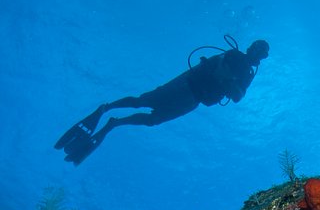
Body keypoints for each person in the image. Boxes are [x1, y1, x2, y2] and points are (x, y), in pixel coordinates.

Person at [55, 39, 269, 165]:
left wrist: (229, 81)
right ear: (251, 48)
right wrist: (229, 81)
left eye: (260, 53)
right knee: (143, 101)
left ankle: (114, 122)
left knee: (153, 119)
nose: (255, 54)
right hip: (186, 84)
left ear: (262, 57)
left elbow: (238, 97)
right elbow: (218, 69)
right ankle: (106, 108)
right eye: (256, 50)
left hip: (193, 99)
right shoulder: (233, 55)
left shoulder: (248, 75)